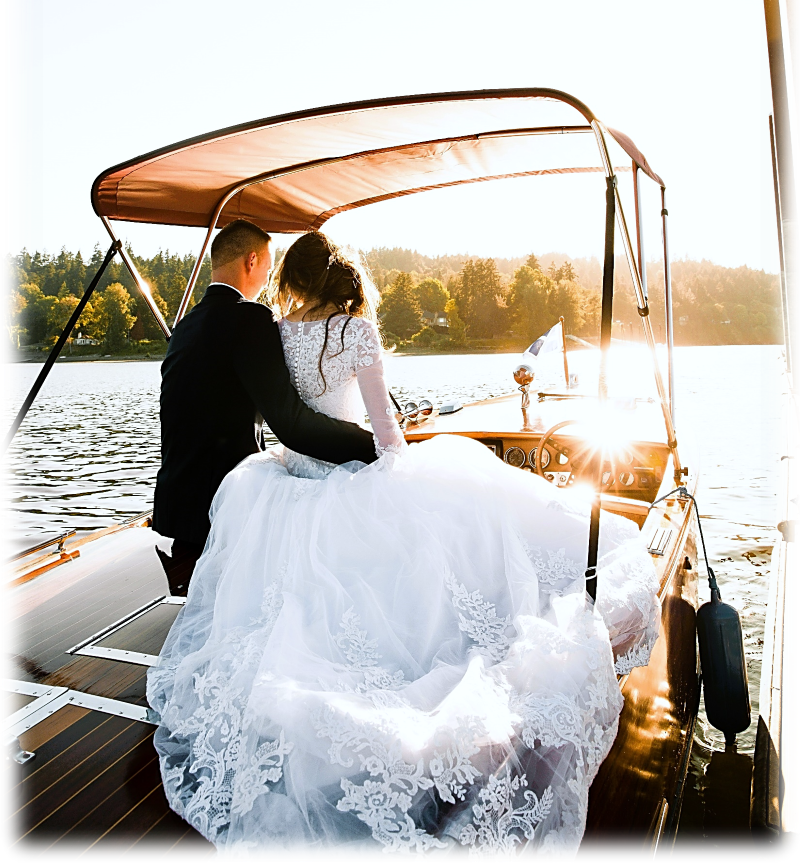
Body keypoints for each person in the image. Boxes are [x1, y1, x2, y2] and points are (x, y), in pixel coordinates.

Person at [148, 232, 659, 862]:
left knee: (306, 609)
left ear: (295, 281)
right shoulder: (351, 333)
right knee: (450, 541)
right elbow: (382, 430)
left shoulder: (271, 330)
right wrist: (385, 455)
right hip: (346, 466)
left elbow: (281, 414)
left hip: (283, 483)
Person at [153, 220, 376, 593]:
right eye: (269, 268)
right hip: (226, 508)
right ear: (252, 260)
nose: (270, 278)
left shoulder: (186, 325)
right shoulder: (249, 318)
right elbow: (290, 425)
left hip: (177, 509)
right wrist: (374, 448)